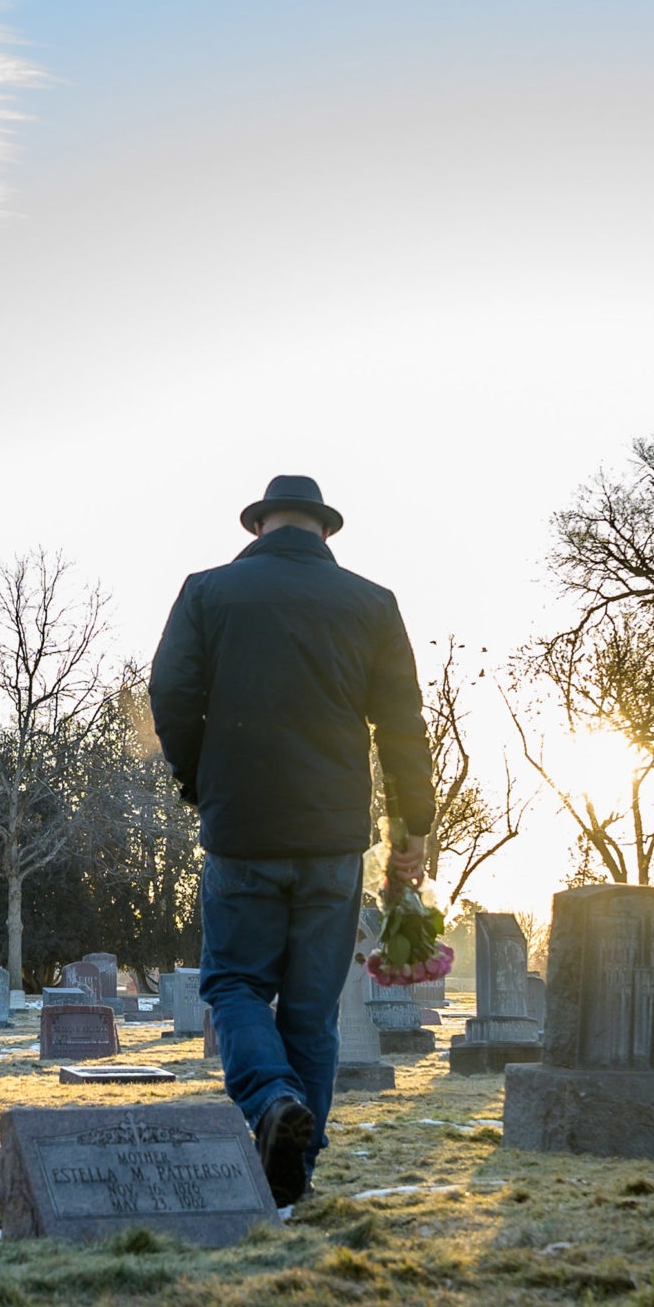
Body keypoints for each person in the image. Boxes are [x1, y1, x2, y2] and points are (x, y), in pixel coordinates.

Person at [148, 473, 434, 1208]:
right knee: (310, 1011)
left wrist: (196, 780)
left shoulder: (206, 593)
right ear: (324, 532)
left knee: (234, 984)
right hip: (331, 835)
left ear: (258, 528)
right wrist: (414, 828)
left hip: (240, 826)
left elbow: (171, 694)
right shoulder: (370, 604)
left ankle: (272, 1102)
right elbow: (401, 722)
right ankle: (293, 1178)